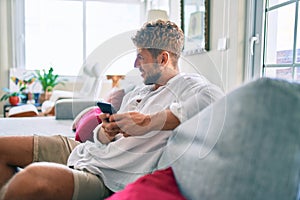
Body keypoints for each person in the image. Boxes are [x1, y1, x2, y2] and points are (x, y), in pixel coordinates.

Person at [0, 19, 224, 200]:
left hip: (106, 176)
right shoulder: (140, 91)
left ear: (163, 59)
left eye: (141, 57)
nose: (135, 65)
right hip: (87, 151)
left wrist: (147, 122)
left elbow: (215, 100)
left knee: (30, 181)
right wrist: (106, 132)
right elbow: (100, 139)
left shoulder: (190, 87)